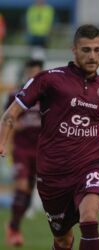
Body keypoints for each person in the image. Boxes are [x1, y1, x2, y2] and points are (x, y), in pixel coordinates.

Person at [0, 24, 99, 250]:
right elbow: (13, 111)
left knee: (89, 217)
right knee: (63, 239)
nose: (93, 56)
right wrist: (2, 140)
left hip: (90, 166)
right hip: (53, 174)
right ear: (73, 50)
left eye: (98, 49)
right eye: (86, 50)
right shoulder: (49, 80)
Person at [4, 59, 43, 247]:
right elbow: (8, 118)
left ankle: (14, 225)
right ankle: (13, 228)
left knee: (28, 191)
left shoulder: (46, 96)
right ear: (26, 74)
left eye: (37, 73)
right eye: (31, 73)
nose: (33, 77)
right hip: (21, 149)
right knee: (21, 186)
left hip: (40, 150)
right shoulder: (16, 95)